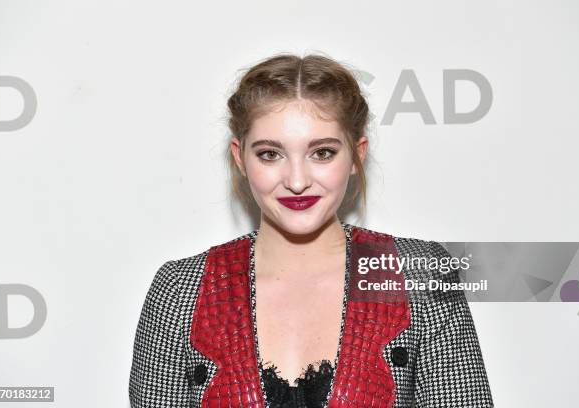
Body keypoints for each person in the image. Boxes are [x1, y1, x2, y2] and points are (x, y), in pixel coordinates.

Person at [129, 53, 494, 408]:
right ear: (240, 158)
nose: (298, 181)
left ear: (357, 155)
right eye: (271, 154)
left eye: (321, 153)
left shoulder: (419, 273)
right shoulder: (180, 290)